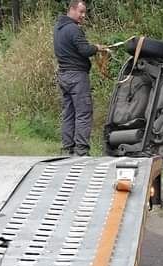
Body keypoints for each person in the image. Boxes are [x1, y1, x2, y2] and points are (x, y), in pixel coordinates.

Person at [54, 0, 107, 156]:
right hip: (77, 76)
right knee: (83, 112)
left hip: (63, 74)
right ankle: (82, 150)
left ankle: (67, 148)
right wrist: (97, 47)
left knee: (69, 112)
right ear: (71, 9)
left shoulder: (58, 28)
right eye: (81, 12)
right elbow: (84, 50)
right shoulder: (73, 29)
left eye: (84, 12)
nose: (83, 15)